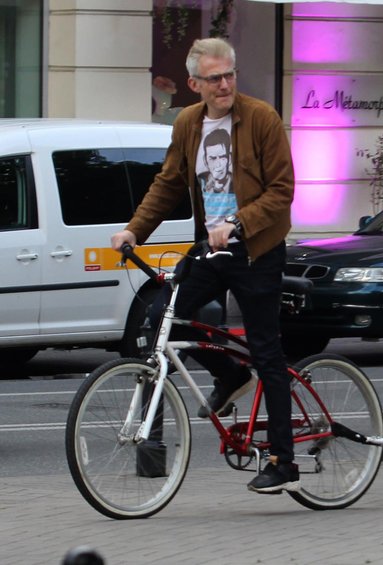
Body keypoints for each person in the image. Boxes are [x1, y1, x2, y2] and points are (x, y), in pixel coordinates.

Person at [110, 38, 298, 495]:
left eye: (230, 74)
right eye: (214, 78)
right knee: (162, 320)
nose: (225, 84)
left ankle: (282, 459)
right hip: (210, 251)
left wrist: (236, 222)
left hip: (256, 250)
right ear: (195, 83)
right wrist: (135, 228)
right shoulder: (189, 123)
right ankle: (228, 375)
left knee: (265, 350)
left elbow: (282, 190)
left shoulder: (261, 118)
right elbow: (170, 181)